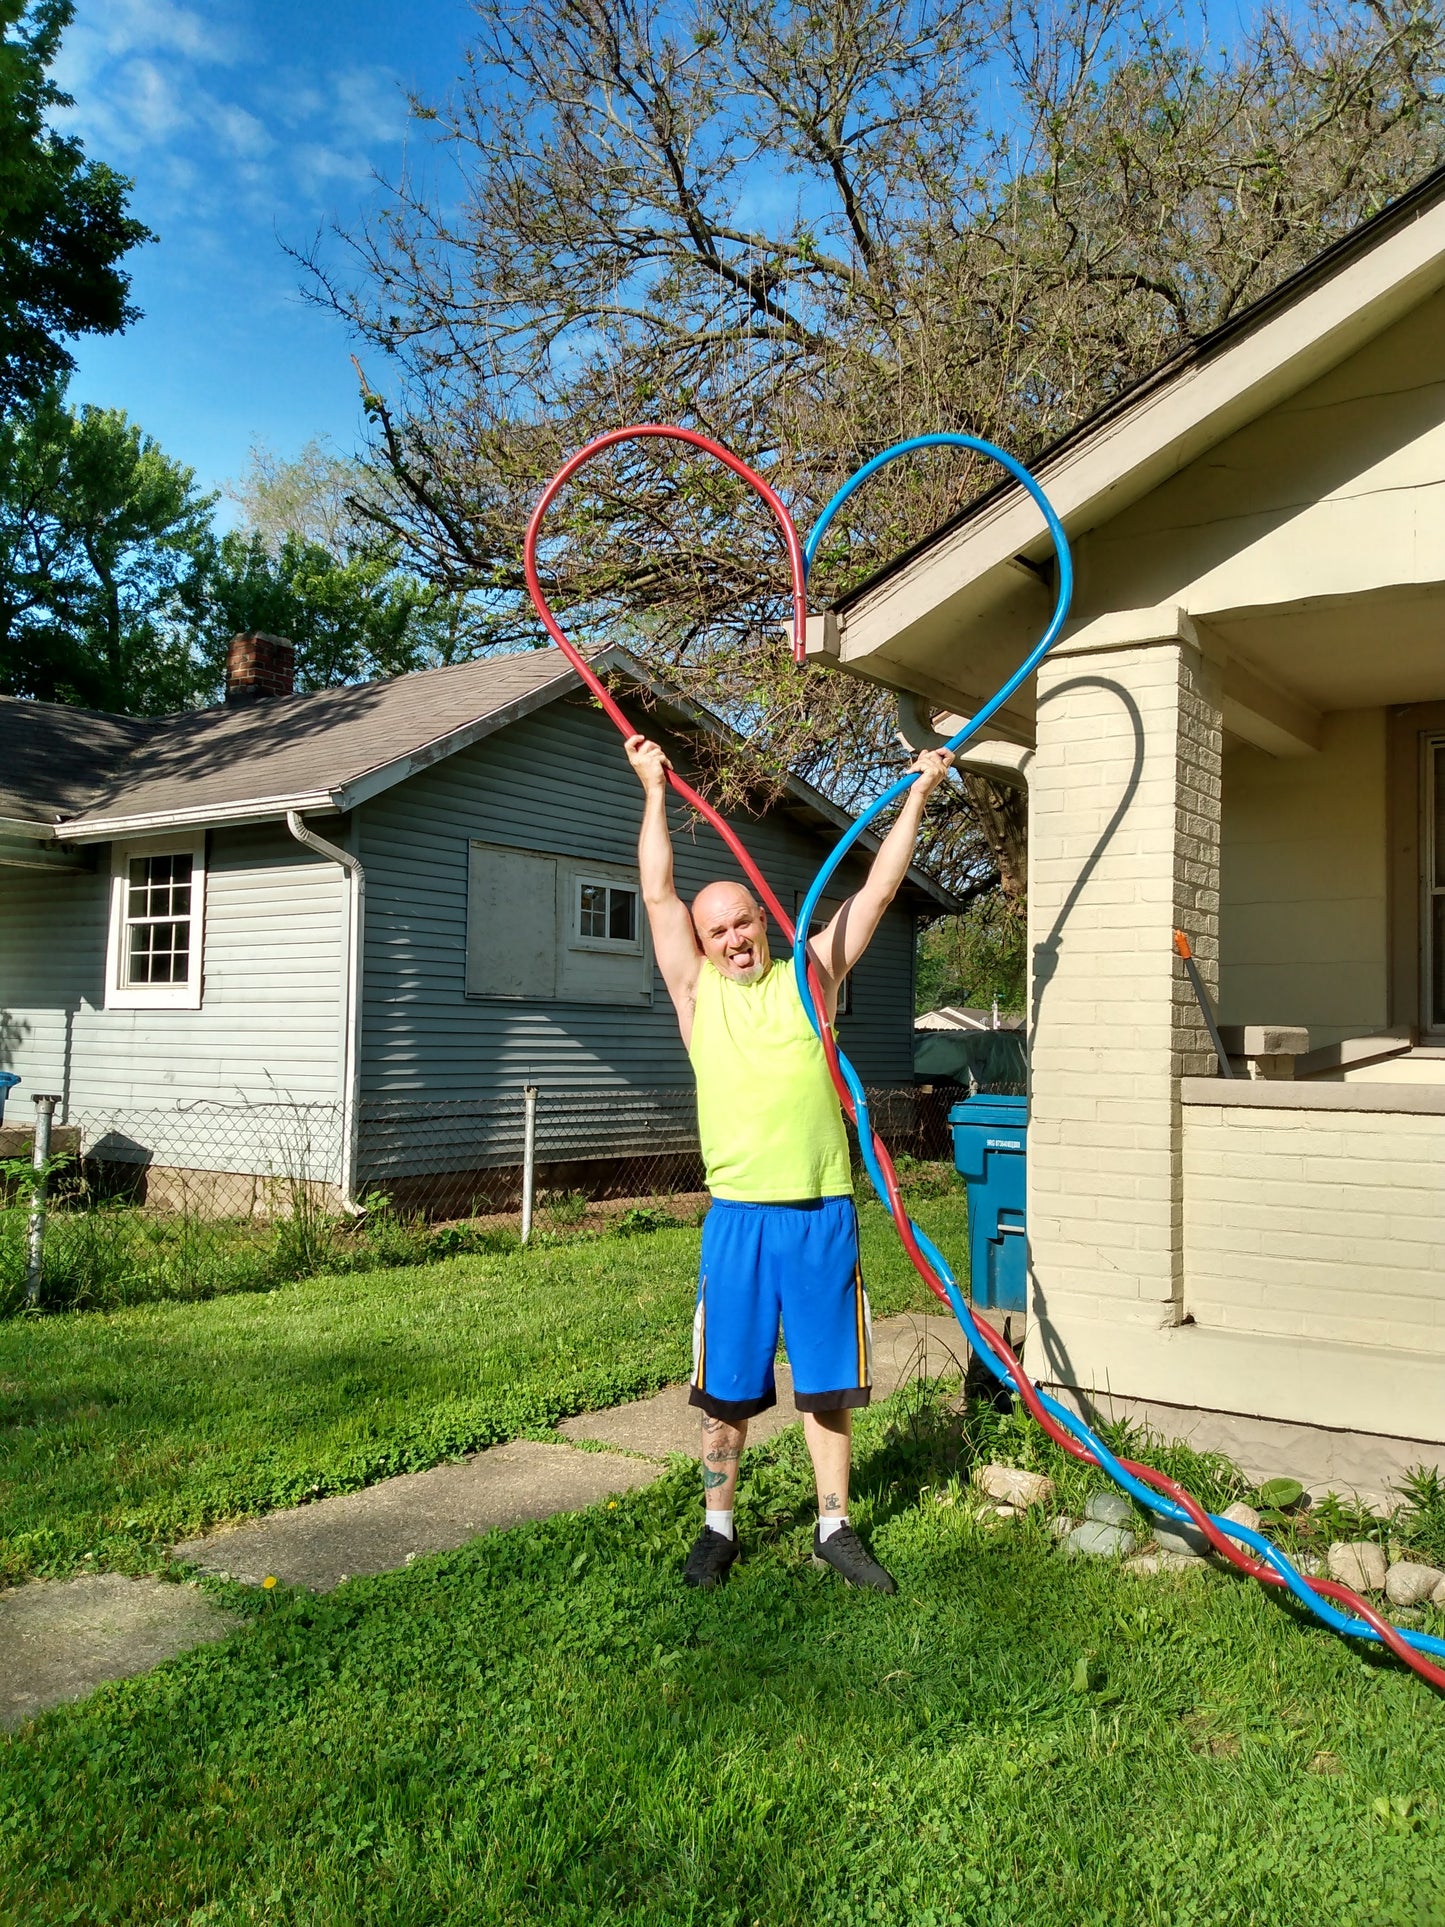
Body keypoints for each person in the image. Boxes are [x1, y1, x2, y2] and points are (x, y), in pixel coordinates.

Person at [624, 730, 956, 1592]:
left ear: (764, 922)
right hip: (738, 1219)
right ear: (701, 944)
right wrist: (653, 787)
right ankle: (717, 1525)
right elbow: (658, 892)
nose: (733, 938)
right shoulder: (697, 994)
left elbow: (878, 891)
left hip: (820, 1213)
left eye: (742, 922)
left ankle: (834, 1525)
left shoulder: (810, 977)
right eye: (717, 930)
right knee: (725, 1391)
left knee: (827, 1385)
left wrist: (918, 788)